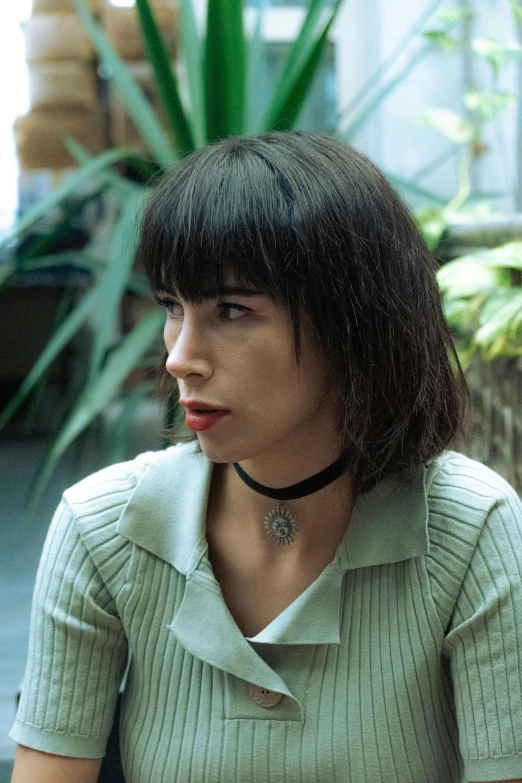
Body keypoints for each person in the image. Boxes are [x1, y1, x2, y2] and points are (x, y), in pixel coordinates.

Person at [10, 131, 522, 783]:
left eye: (231, 310)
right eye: (173, 306)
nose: (178, 356)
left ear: (352, 324)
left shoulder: (471, 530)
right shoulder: (103, 529)